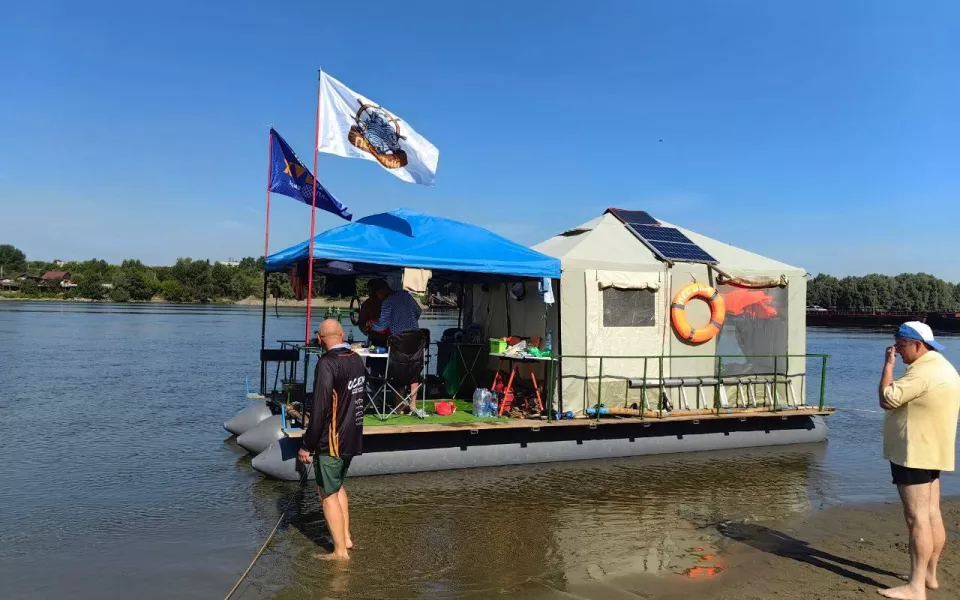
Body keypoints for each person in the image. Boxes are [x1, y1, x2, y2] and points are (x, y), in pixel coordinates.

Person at [877, 321, 960, 600]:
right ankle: (929, 575)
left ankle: (915, 587)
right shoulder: (942, 366)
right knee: (932, 513)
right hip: (931, 450)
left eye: (900, 346)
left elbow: (887, 399)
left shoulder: (923, 373)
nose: (897, 351)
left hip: (914, 453)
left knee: (917, 518)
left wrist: (887, 367)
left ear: (918, 344)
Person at [298, 319, 367, 561]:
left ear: (320, 339)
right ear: (342, 335)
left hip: (332, 440)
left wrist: (307, 444)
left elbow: (320, 408)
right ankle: (345, 538)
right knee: (337, 486)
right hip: (353, 435)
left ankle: (339, 552)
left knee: (327, 494)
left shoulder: (327, 363)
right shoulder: (356, 358)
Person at [369, 283, 424, 411]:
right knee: (414, 368)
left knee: (399, 368)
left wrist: (371, 325)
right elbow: (418, 311)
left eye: (378, 293)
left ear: (384, 290)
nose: (378, 296)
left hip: (399, 339)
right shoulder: (407, 296)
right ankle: (413, 405)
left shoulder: (388, 302)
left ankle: (399, 406)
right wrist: (409, 319)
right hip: (415, 337)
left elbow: (382, 326)